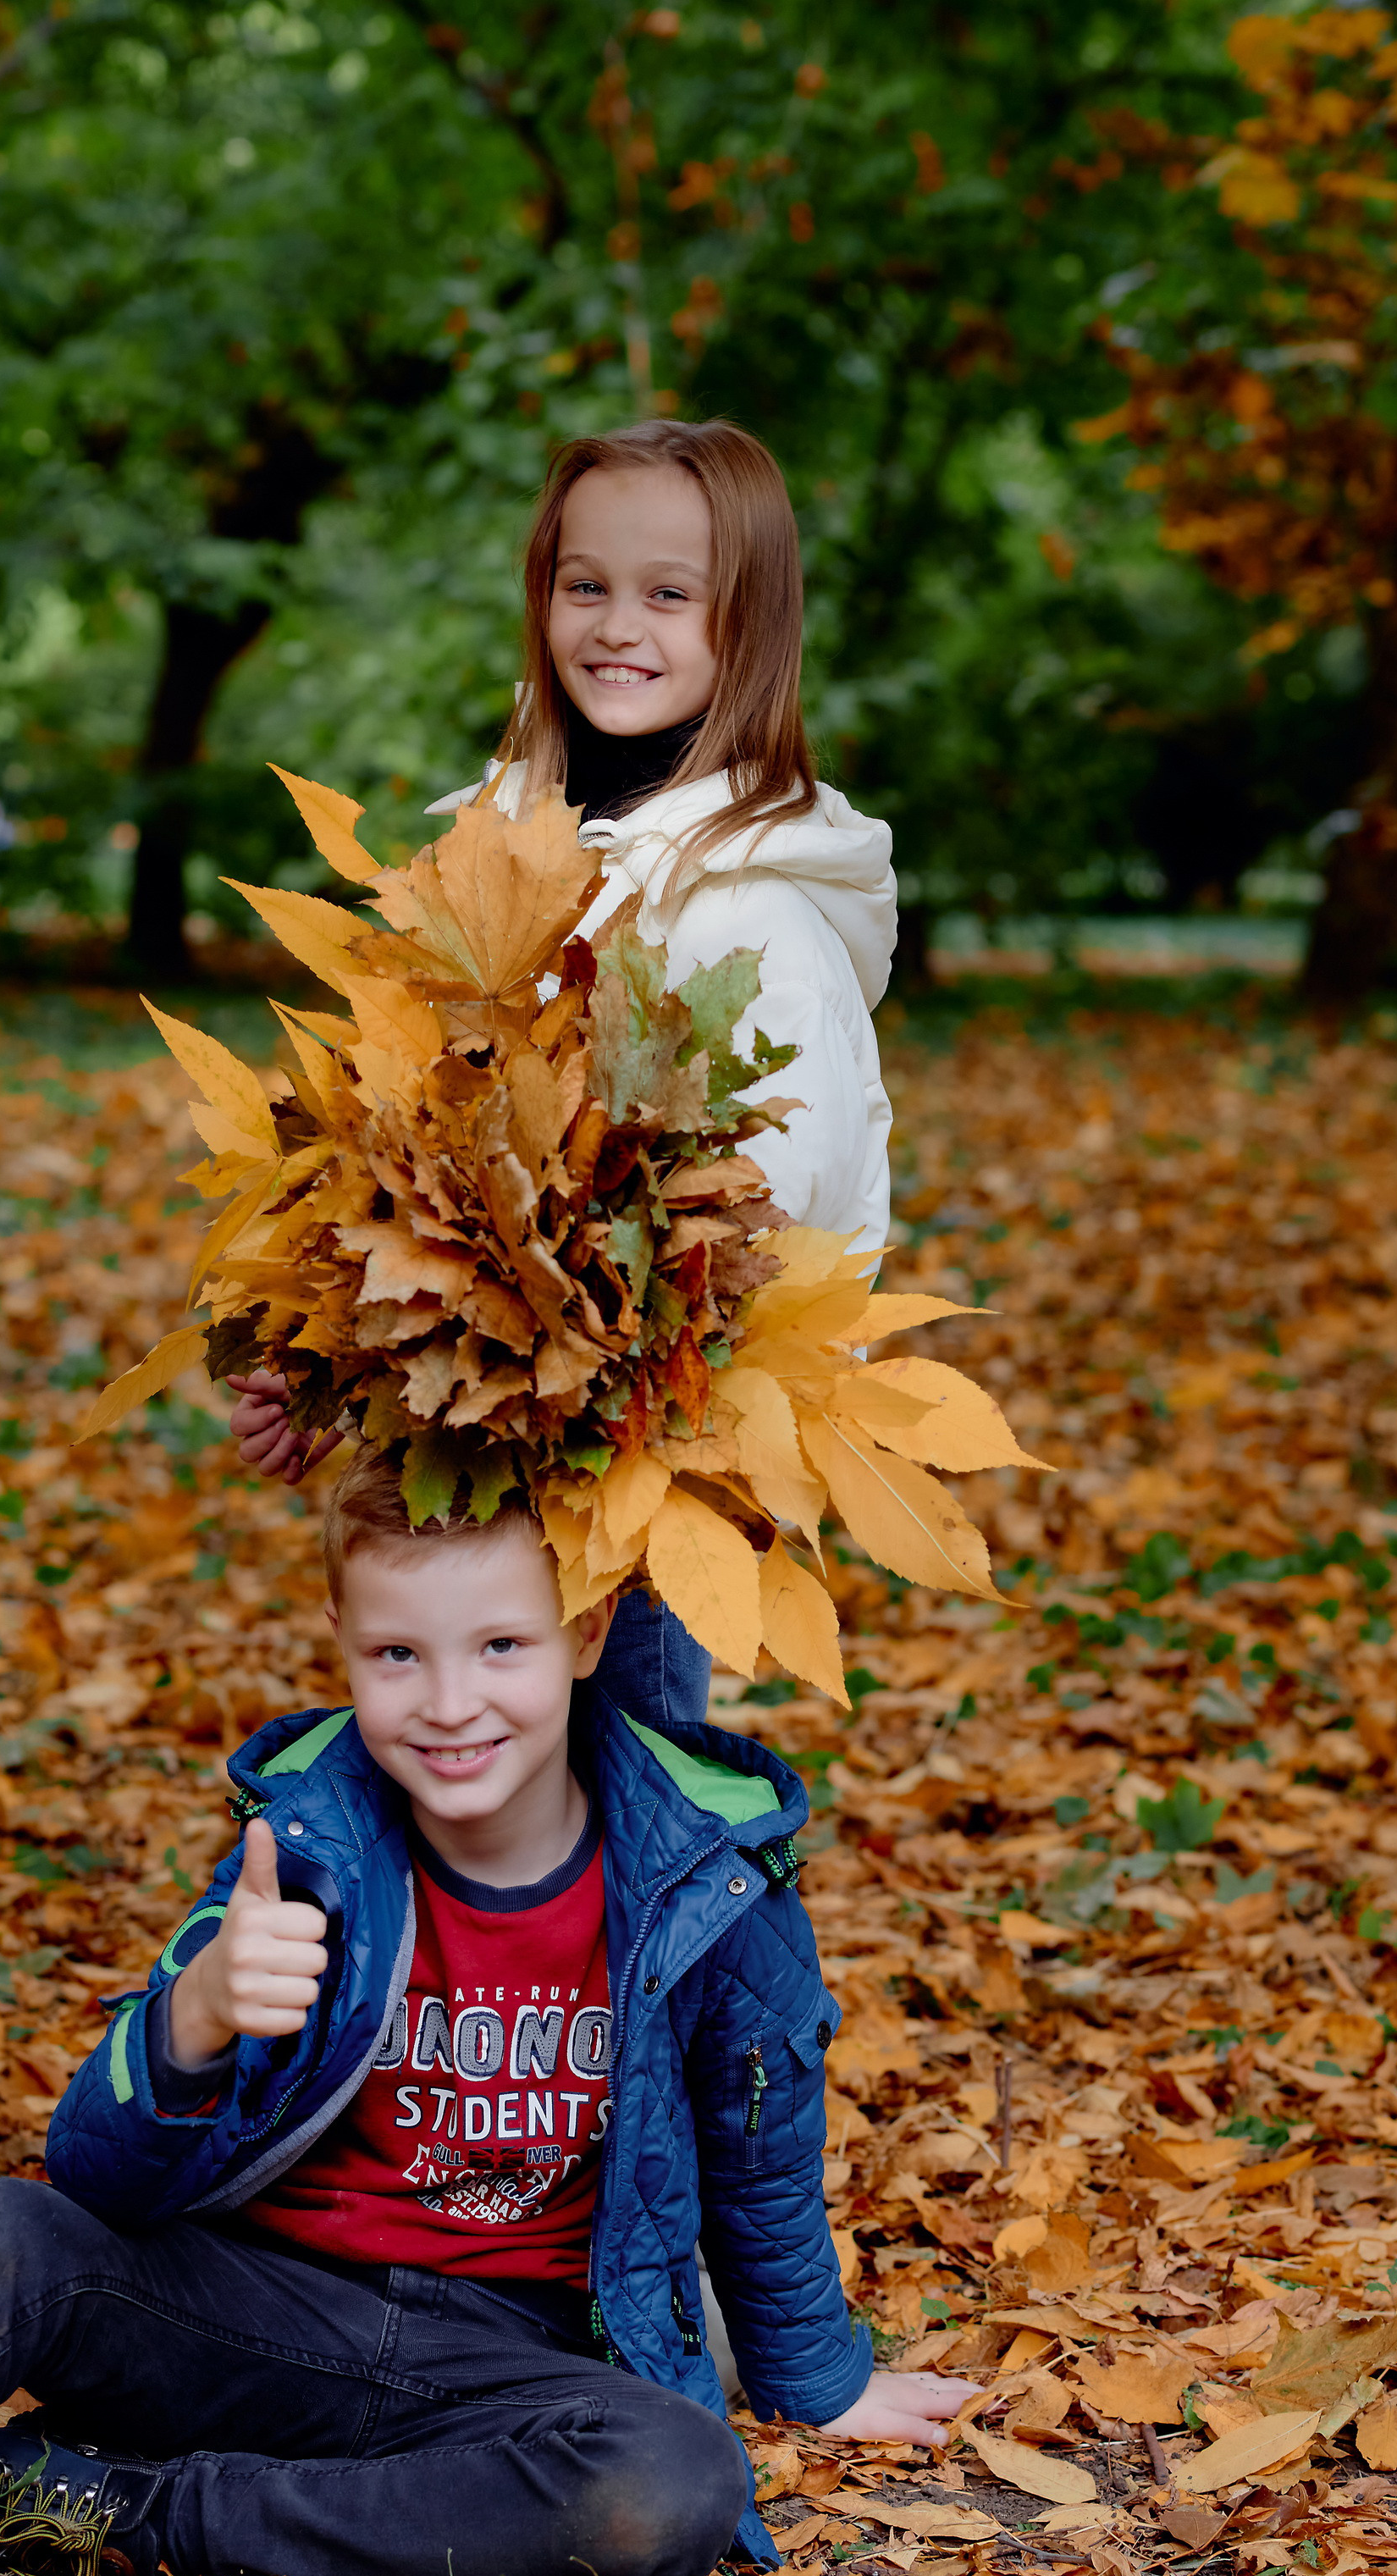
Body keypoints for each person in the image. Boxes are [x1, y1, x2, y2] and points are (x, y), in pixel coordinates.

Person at [0, 1452, 975, 2576]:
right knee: (8, 2236)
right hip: (258, 2314)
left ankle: (131, 2514)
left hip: (504, 2363)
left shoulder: (707, 1878)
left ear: (584, 1630)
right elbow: (95, 2174)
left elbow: (760, 2153)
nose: (451, 1705)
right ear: (339, 1638)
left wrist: (817, 2378)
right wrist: (195, 2020)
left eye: (501, 1644)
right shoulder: (311, 1845)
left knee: (671, 2481)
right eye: (398, 1656)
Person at [226, 418, 898, 1728]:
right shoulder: (504, 862)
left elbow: (745, 1260)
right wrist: (330, 1367)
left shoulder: (746, 921)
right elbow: (423, 1163)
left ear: (748, 621)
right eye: (584, 585)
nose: (615, 625)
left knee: (637, 1864)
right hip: (468, 1518)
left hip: (623, 1527)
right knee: (484, 1885)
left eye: (669, 593)